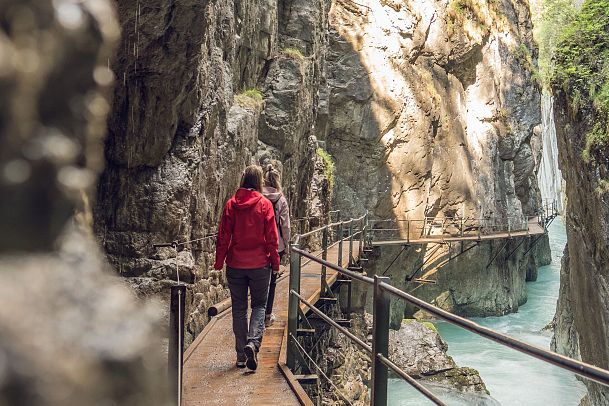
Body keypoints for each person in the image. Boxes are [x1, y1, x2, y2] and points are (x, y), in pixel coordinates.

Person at [214, 165, 280, 371]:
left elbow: (223, 237)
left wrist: (218, 262)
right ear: (259, 181)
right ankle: (252, 343)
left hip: (235, 264)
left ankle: (241, 355)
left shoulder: (231, 205)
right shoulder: (264, 204)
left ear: (243, 180)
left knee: (239, 309)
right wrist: (276, 263)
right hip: (261, 265)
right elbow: (272, 238)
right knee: (259, 306)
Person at [262, 164, 291, 327]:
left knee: (259, 280)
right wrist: (286, 245)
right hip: (277, 245)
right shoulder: (281, 200)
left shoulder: (259, 197)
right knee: (272, 282)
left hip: (260, 244)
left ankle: (256, 314)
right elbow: (285, 226)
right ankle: (267, 316)